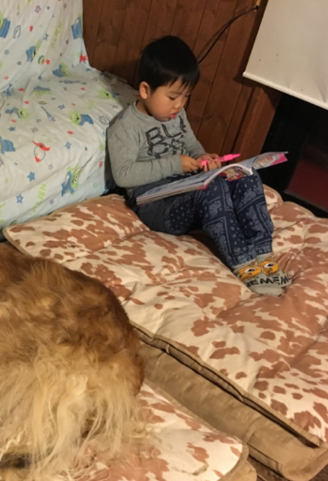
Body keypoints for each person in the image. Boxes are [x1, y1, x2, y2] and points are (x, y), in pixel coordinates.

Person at [107, 35, 291, 295]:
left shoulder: (175, 113)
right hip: (154, 202)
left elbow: (190, 143)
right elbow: (124, 175)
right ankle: (244, 263)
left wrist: (203, 158)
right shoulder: (125, 128)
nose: (180, 105)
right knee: (212, 190)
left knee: (245, 176)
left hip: (186, 186)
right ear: (146, 90)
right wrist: (175, 164)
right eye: (173, 97)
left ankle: (262, 254)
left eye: (186, 96)